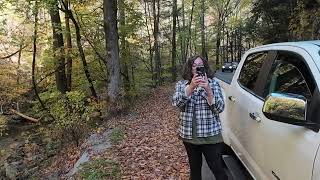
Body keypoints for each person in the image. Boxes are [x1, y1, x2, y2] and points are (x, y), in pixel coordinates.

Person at [172, 55, 227, 180]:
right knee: (195, 171)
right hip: (189, 136)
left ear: (205, 67)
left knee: (218, 169)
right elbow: (176, 103)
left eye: (200, 65)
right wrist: (191, 87)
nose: (197, 67)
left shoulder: (213, 84)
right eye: (194, 65)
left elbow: (219, 108)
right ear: (190, 68)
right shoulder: (182, 85)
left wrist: (208, 90)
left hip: (211, 135)